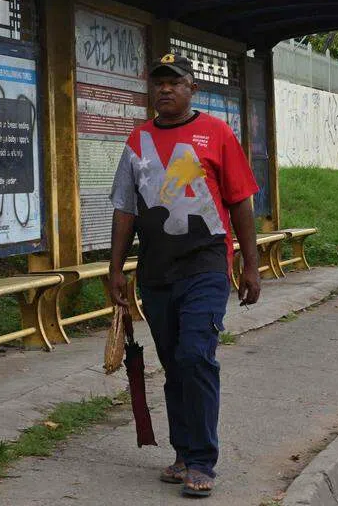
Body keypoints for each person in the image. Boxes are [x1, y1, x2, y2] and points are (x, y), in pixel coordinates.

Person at [107, 52, 261, 499]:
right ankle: (182, 452)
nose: (165, 90)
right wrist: (115, 268)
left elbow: (240, 201)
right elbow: (124, 207)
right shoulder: (138, 140)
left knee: (196, 356)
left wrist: (249, 265)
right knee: (174, 363)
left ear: (192, 87)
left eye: (174, 82)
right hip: (156, 271)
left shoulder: (216, 133)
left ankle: (202, 460)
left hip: (206, 266)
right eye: (158, 83)